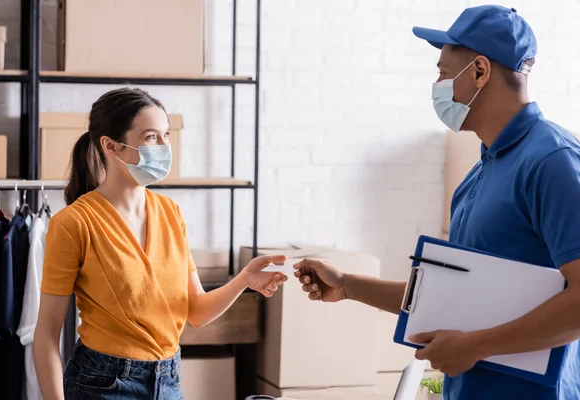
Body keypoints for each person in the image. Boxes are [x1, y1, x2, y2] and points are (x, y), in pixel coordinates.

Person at [295, 5, 580, 400]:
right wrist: (346, 285)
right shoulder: (480, 171)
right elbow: (447, 298)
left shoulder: (552, 161)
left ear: (480, 71)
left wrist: (477, 345)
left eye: (444, 73)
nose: (438, 85)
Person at [34, 87, 288, 399]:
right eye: (152, 137)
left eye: (166, 134)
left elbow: (196, 312)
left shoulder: (171, 213)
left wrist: (243, 280)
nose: (165, 146)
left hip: (168, 381)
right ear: (111, 145)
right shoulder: (73, 223)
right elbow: (46, 334)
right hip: (103, 384)